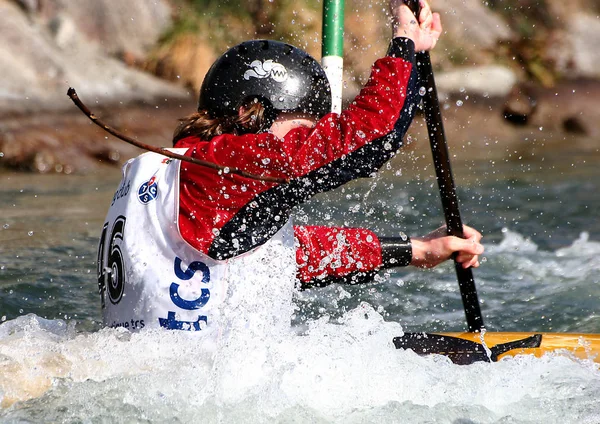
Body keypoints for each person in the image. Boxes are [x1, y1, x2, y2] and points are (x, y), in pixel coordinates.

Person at [97, 0, 483, 332]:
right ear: (251, 114)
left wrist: (414, 250)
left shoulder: (185, 172)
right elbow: (374, 136)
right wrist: (403, 40)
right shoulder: (230, 165)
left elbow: (282, 260)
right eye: (302, 129)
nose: (309, 142)